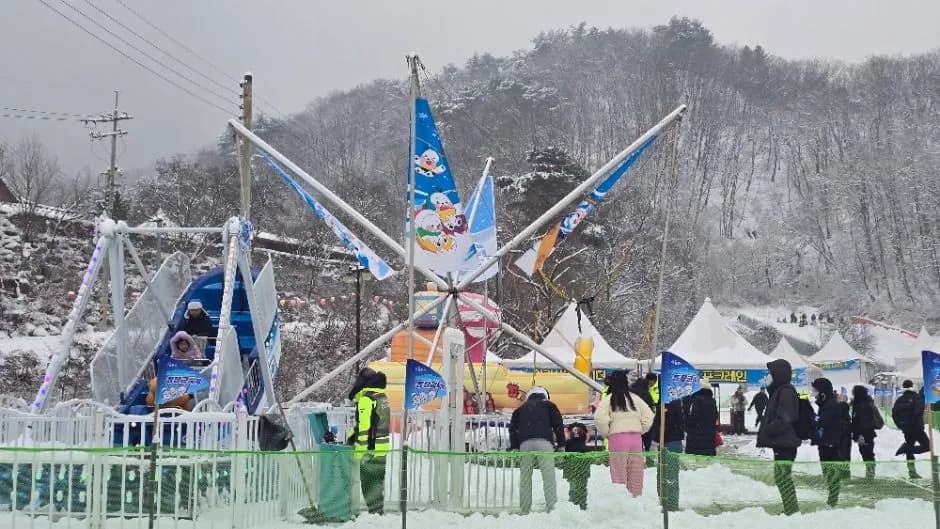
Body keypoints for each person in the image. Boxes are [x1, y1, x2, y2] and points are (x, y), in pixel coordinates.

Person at [594, 370, 654, 497]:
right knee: (636, 473)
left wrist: (607, 433)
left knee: (618, 473)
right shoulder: (635, 399)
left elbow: (599, 418)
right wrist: (640, 430)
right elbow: (649, 415)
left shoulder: (609, 399)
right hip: (636, 439)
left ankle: (621, 502)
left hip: (618, 438)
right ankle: (635, 499)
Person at [509, 386, 565, 513]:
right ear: (545, 396)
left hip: (525, 444)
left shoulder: (520, 409)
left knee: (525, 478)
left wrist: (514, 447)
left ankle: (525, 509)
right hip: (544, 442)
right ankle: (552, 508)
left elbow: (513, 429)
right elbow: (558, 425)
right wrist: (561, 445)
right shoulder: (549, 405)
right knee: (548, 477)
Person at [757, 359, 801, 516]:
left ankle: (792, 510)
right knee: (782, 477)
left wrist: (768, 430)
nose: (768, 376)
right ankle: (790, 509)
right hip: (782, 443)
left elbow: (786, 418)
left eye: (770, 373)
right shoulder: (780, 391)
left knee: (783, 478)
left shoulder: (786, 392)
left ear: (778, 375)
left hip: (786, 444)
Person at [348, 367, 390, 515]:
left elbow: (364, 427)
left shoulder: (366, 399)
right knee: (377, 483)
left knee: (368, 484)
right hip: (382, 447)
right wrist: (352, 434)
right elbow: (375, 421)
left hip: (370, 449)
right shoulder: (381, 396)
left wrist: (359, 452)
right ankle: (378, 513)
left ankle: (376, 514)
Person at [812, 378, 848, 507]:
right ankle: (832, 501)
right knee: (829, 474)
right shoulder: (826, 404)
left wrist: (810, 417)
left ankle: (832, 502)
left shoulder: (831, 405)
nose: (813, 393)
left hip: (830, 446)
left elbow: (821, 422)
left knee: (832, 475)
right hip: (826, 444)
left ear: (823, 392)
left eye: (815, 390)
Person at [650, 394, 685, 511]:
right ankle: (667, 502)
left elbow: (665, 424)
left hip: (669, 443)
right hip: (672, 442)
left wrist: (656, 440)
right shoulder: (672, 401)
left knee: (669, 475)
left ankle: (670, 505)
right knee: (666, 474)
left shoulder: (669, 403)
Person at [893, 380, 930, 479]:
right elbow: (918, 412)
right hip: (917, 428)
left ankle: (912, 472)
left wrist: (901, 426)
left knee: (910, 447)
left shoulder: (899, 400)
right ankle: (907, 449)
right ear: (912, 387)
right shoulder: (916, 398)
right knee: (928, 446)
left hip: (907, 429)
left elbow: (894, 414)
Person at [684, 378, 719, 456]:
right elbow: (715, 417)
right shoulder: (712, 400)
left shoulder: (696, 400)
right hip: (709, 437)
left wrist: (687, 426)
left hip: (696, 440)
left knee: (696, 463)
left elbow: (693, 418)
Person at [850, 385, 878, 480]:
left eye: (853, 392)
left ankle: (870, 474)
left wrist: (860, 434)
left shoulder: (863, 405)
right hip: (865, 433)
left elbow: (862, 421)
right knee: (866, 453)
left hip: (865, 434)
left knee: (867, 453)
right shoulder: (862, 403)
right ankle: (870, 473)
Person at [562, 422, 590, 510]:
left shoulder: (568, 443)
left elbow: (565, 456)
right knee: (582, 487)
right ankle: (582, 504)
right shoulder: (583, 444)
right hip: (583, 469)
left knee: (573, 486)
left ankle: (573, 504)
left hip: (571, 468)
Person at [630, 376, 656, 460]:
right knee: (647, 440)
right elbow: (650, 408)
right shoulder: (646, 393)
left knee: (636, 442)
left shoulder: (631, 392)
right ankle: (648, 459)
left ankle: (636, 459)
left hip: (633, 421)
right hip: (645, 421)